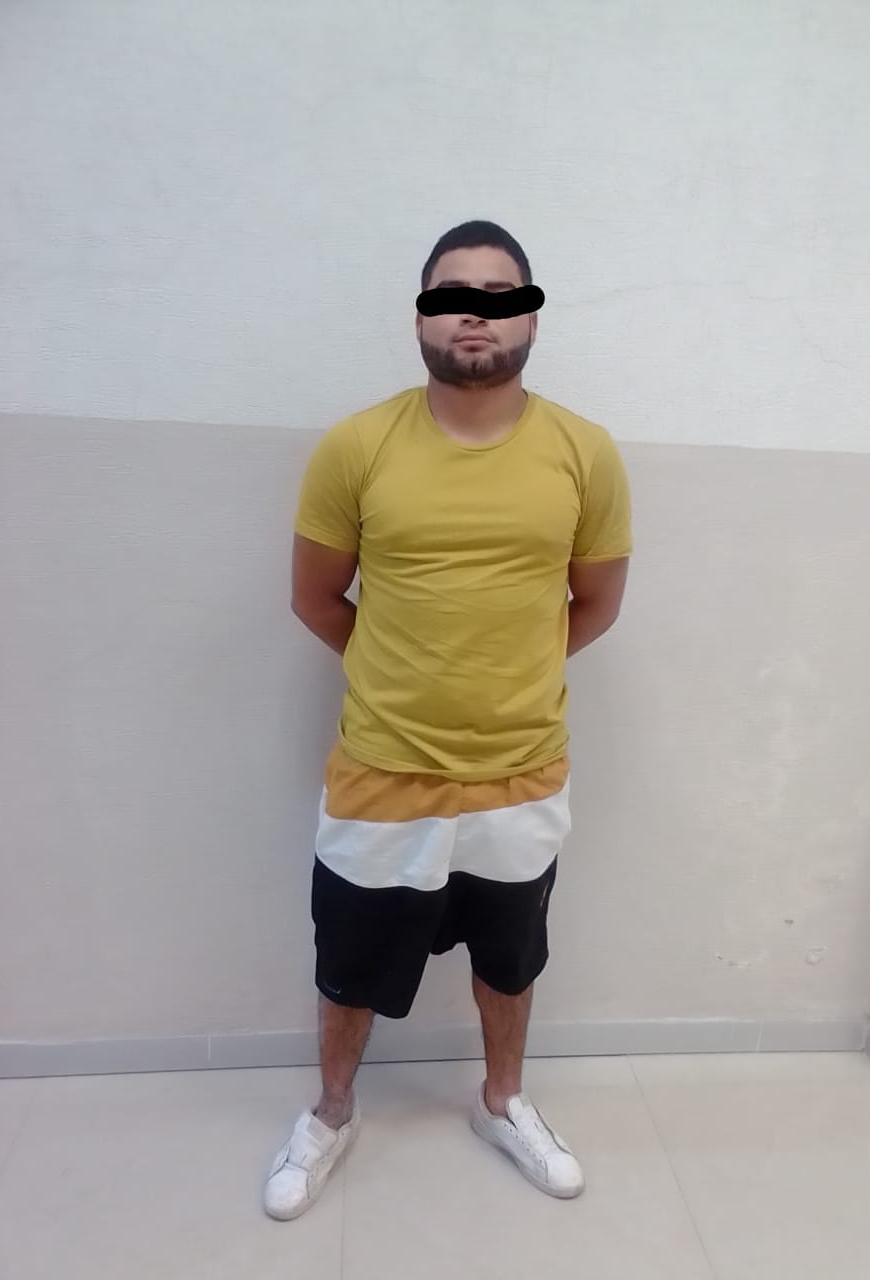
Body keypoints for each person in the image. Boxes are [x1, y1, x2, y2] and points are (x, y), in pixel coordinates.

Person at [264, 220, 632, 1221]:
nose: (475, 312)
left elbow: (595, 603)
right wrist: (402, 676)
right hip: (383, 770)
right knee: (349, 964)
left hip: (522, 770)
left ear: (530, 319)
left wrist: (506, 677)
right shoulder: (357, 446)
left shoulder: (584, 452)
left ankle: (501, 1101)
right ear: (422, 316)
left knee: (509, 960)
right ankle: (331, 1112)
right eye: (452, 293)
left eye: (499, 296)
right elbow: (314, 598)